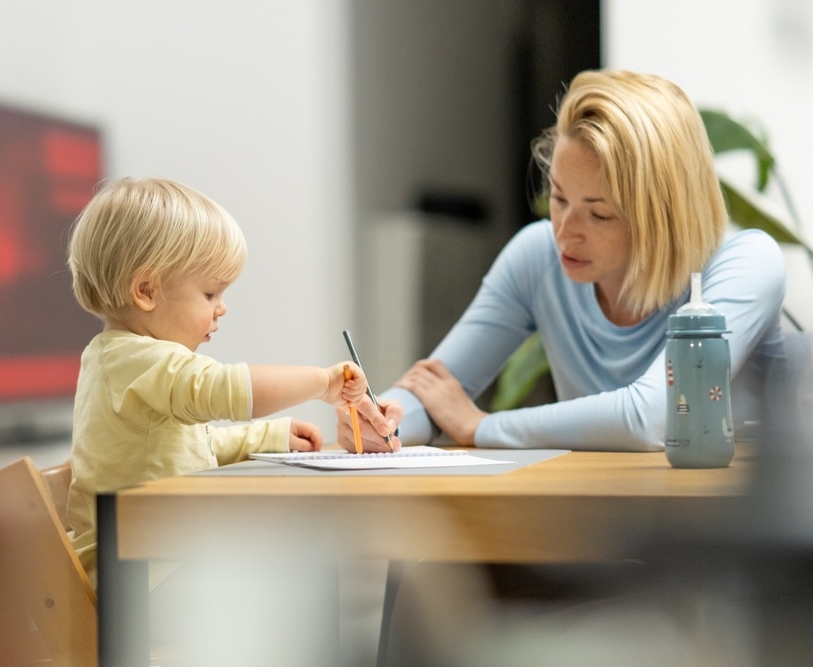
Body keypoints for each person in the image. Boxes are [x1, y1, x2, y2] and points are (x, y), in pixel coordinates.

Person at [337, 68, 786, 453]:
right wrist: (384, 420)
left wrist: (481, 427)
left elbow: (657, 416)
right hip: (601, 525)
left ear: (662, 215)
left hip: (731, 539)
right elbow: (437, 389)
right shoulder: (539, 256)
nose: (565, 231)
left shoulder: (745, 263)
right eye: (558, 198)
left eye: (599, 213)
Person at [64, 176, 391, 587]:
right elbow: (227, 389)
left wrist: (268, 437)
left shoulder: (118, 359)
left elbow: (185, 449)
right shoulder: (136, 360)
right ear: (145, 290)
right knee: (296, 564)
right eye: (210, 294)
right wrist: (323, 382)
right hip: (141, 575)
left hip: (149, 560)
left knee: (293, 561)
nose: (222, 309)